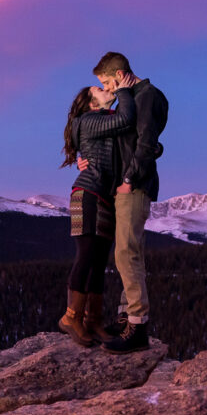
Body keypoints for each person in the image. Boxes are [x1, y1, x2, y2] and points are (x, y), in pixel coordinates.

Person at [81, 51, 168, 352]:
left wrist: (129, 180)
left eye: (106, 82)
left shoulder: (148, 96)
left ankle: (138, 326)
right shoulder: (132, 97)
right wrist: (87, 159)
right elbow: (142, 143)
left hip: (133, 187)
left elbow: (145, 143)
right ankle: (125, 316)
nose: (106, 89)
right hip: (124, 186)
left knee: (127, 253)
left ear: (118, 75)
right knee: (127, 253)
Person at [58, 74, 137, 347]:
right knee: (87, 255)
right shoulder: (89, 120)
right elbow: (125, 119)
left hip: (104, 196)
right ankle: (71, 317)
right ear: (91, 104)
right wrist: (125, 89)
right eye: (98, 89)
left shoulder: (102, 121)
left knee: (99, 261)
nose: (105, 89)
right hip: (87, 194)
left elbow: (128, 128)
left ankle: (92, 321)